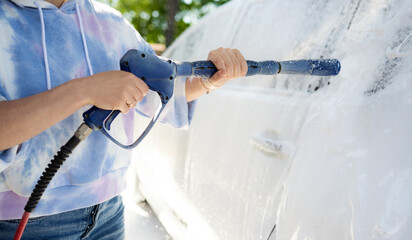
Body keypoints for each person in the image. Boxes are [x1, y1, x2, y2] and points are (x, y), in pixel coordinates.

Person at [0, 0, 247, 239]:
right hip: (24, 221)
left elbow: (160, 89)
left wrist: (210, 79)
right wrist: (83, 90)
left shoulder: (111, 23)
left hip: (108, 213)